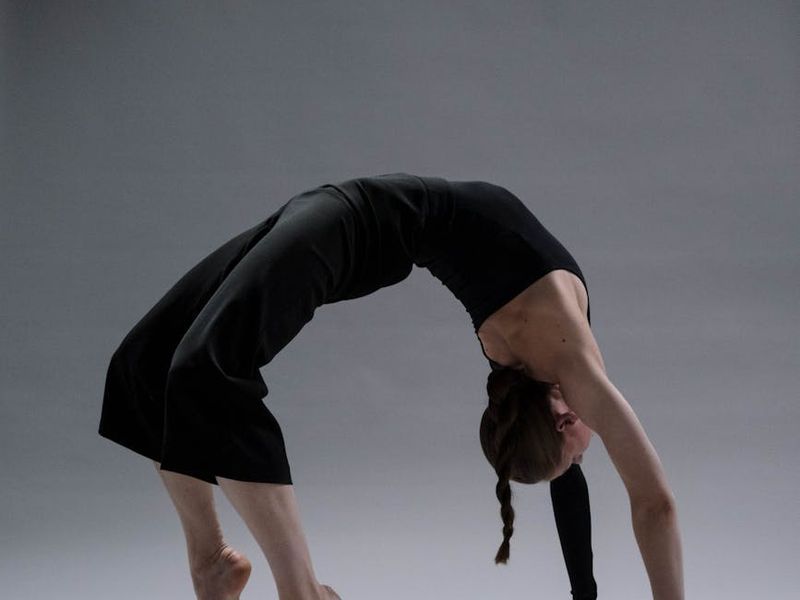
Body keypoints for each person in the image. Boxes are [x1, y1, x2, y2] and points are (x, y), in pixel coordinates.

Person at [99, 172, 683, 600]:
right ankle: (285, 585)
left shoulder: (537, 370)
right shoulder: (574, 365)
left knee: (194, 367)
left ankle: (214, 564)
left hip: (346, 221)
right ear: (563, 418)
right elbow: (654, 503)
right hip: (346, 219)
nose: (587, 454)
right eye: (578, 455)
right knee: (147, 365)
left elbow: (570, 490)